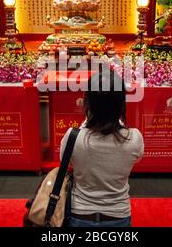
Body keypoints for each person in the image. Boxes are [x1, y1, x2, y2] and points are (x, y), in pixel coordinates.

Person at [60, 70, 144, 227]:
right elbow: (137, 158)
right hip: (118, 215)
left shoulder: (73, 137)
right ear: (121, 103)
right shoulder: (134, 138)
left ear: (87, 103)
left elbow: (65, 161)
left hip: (80, 213)